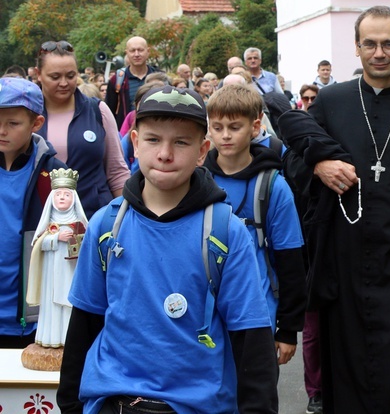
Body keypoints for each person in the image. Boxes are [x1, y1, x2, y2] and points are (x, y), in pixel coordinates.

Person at [278, 5, 390, 414]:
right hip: (345, 253)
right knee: (347, 360)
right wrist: (319, 163)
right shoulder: (331, 100)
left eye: (389, 43)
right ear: (356, 48)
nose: (380, 52)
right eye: (370, 44)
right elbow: (291, 143)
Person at [57, 85, 278, 414]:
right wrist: (71, 405)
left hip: (197, 406)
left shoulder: (226, 232)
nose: (164, 153)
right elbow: (85, 324)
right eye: (153, 139)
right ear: (134, 142)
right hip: (113, 402)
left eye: (181, 142)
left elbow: (251, 340)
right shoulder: (105, 226)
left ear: (203, 150)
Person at [204, 84, 306, 365]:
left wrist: (287, 330)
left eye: (234, 127)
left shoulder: (274, 186)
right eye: (217, 127)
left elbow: (290, 260)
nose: (225, 135)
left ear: (255, 126)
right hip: (204, 316)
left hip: (258, 312)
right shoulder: (197, 180)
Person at [0, 78, 67, 348]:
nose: (1, 130)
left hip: (32, 319)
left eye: (13, 123)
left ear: (36, 124)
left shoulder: (53, 174)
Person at [35, 41, 130, 218]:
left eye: (70, 76)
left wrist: (127, 216)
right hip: (40, 222)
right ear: (39, 75)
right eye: (55, 77)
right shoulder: (27, 115)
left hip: (94, 218)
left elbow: (117, 171)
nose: (64, 83)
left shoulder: (98, 111)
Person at [27, 168, 88, 348]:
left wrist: (77, 240)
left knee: (70, 304)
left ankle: (69, 342)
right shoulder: (48, 222)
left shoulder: (80, 223)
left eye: (67, 194)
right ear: (51, 198)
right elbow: (38, 245)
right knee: (51, 307)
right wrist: (55, 238)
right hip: (51, 275)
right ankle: (51, 338)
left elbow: (88, 247)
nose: (62, 197)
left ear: (74, 198)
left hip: (71, 273)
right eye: (58, 194)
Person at [105, 36, 156, 128]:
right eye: (132, 51)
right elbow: (109, 111)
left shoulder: (158, 77)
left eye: (140, 50)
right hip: (125, 132)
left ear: (148, 51)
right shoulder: (117, 79)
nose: (136, 54)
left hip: (155, 130)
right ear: (127, 53)